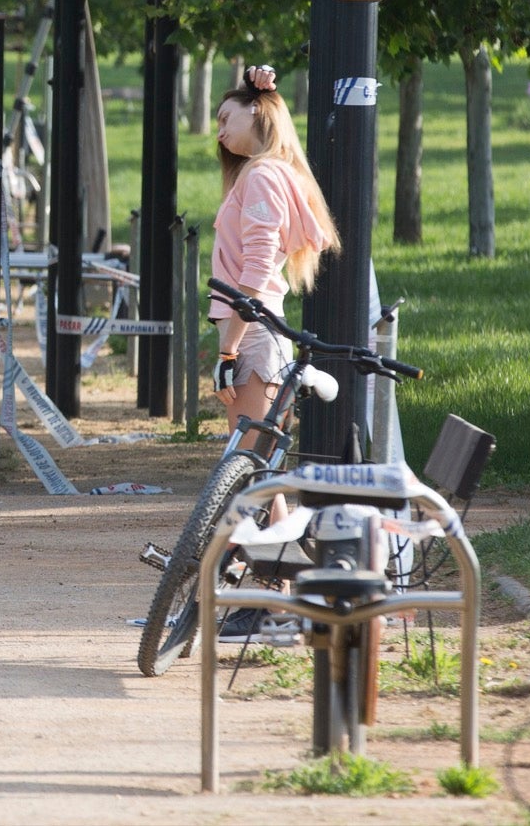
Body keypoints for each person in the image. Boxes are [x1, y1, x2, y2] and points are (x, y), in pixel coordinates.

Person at [208, 63, 340, 644]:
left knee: (247, 474)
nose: (218, 131)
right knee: (260, 477)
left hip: (255, 335)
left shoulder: (261, 177)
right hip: (259, 333)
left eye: (225, 118)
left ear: (257, 113)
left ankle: (268, 596)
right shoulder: (265, 174)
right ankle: (271, 593)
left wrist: (229, 349)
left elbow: (257, 271)